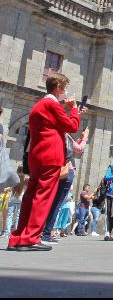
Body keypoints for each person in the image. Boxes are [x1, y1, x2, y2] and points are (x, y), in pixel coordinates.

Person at [8, 73, 81, 252]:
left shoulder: (39, 105)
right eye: (64, 89)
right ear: (57, 88)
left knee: (31, 195)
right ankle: (31, 237)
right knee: (43, 197)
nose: (65, 93)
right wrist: (73, 109)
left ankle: (18, 237)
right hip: (51, 156)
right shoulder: (52, 104)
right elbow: (72, 126)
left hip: (36, 156)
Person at [2, 166, 26, 238]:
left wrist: (5, 189)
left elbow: (10, 188)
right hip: (20, 198)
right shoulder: (24, 179)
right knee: (18, 216)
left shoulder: (14, 178)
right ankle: (16, 232)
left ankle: (7, 233)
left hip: (12, 199)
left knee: (9, 216)